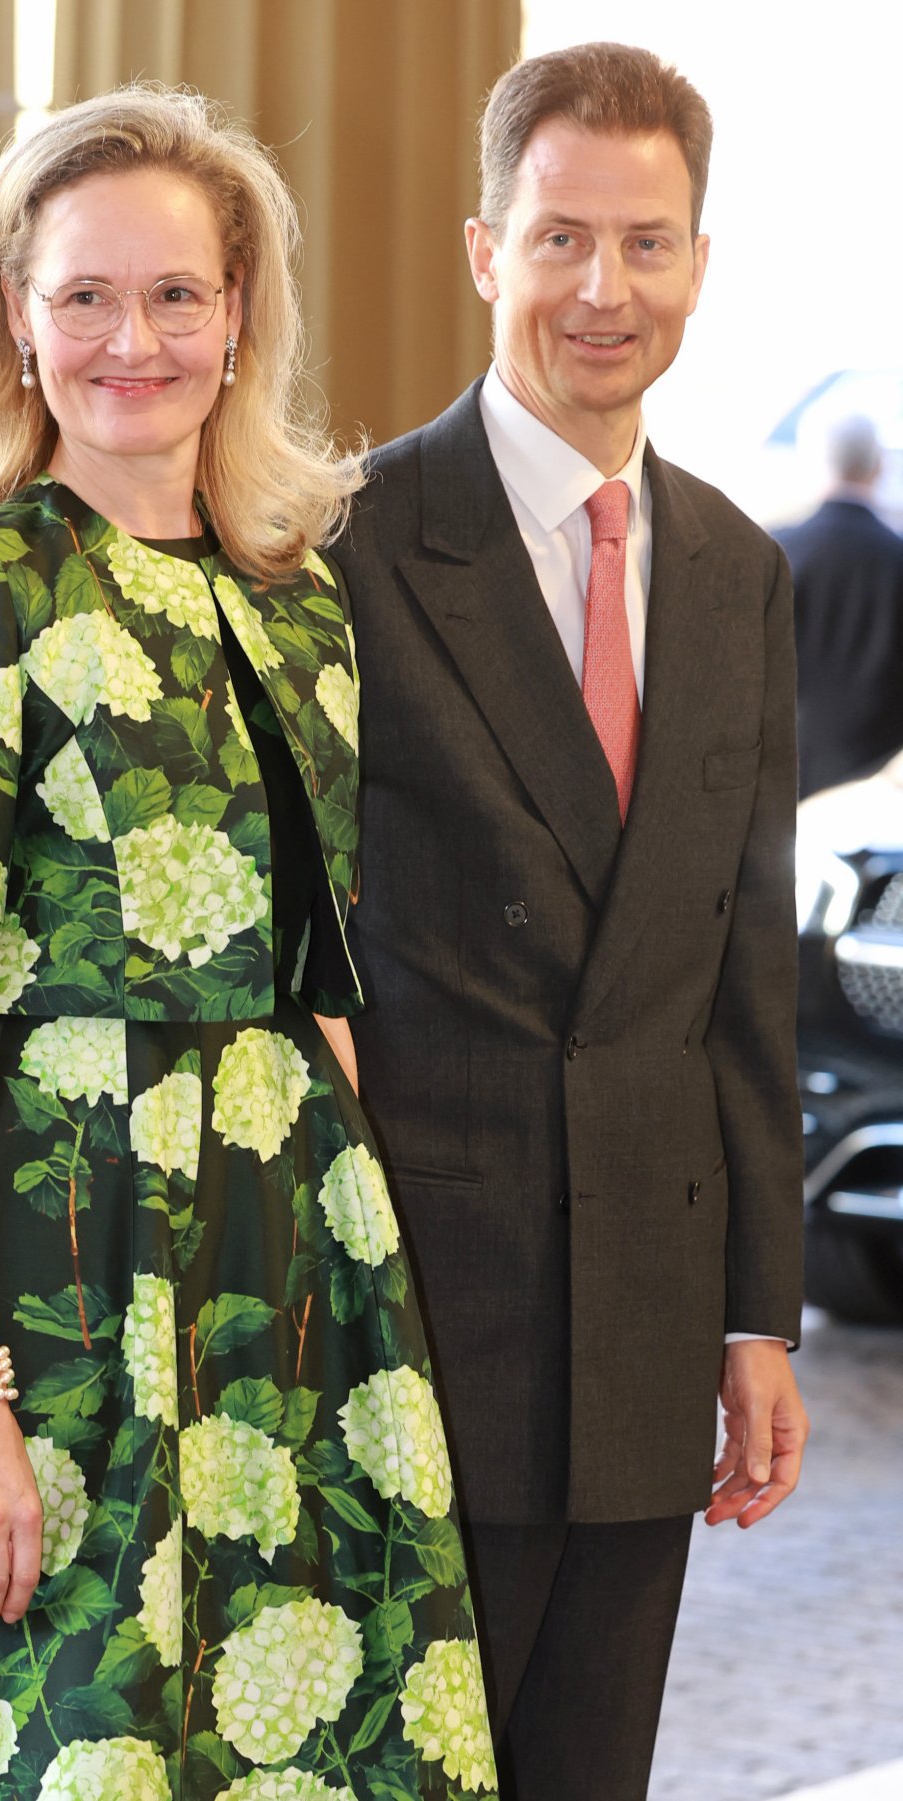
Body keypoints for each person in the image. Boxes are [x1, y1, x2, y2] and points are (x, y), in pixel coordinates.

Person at [0, 87, 497, 1800]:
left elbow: (325, 975)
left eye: (176, 293)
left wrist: (358, 1297)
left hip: (283, 1249)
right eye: (82, 293)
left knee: (294, 1734)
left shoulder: (299, 593)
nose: (132, 339)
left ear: (242, 314)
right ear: (13, 315)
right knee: (65, 1739)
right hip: (56, 1247)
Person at [340, 41, 809, 1801]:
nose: (603, 290)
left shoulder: (737, 571)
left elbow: (737, 976)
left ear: (696, 263)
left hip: (640, 1307)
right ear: (485, 251)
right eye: (560, 240)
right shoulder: (351, 546)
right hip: (419, 1316)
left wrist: (753, 1318)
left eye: (647, 243)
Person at [775, 413, 903, 798]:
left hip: (787, 770)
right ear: (878, 467)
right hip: (878, 776)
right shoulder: (896, 558)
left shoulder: (775, 553)